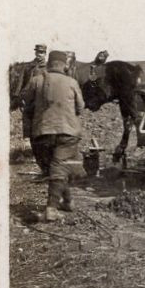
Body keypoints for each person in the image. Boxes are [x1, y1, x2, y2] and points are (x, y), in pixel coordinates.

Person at [21, 50, 86, 222]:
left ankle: (68, 201)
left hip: (42, 132)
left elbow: (25, 102)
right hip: (68, 133)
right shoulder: (72, 82)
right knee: (59, 168)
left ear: (49, 64)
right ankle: (51, 209)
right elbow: (80, 108)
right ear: (64, 65)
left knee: (54, 168)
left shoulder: (36, 80)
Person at [20, 44, 50, 176]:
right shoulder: (30, 67)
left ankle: (48, 168)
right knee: (33, 136)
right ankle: (42, 167)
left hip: (44, 104)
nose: (39, 55)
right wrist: (21, 98)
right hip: (31, 103)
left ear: (45, 54)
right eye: (38, 52)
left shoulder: (49, 68)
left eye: (42, 53)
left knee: (44, 136)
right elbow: (22, 84)